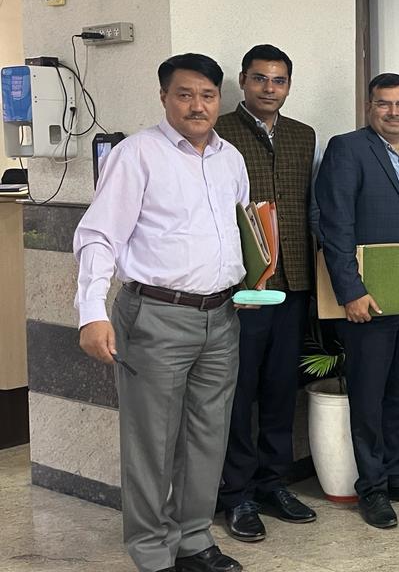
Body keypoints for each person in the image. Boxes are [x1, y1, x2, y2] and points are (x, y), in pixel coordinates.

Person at [74, 53, 248, 572]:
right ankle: (152, 551)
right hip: (156, 316)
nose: (197, 105)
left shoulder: (230, 158)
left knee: (208, 435)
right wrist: (92, 311)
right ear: (164, 97)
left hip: (221, 317)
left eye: (207, 95)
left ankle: (193, 538)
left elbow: (240, 227)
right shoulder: (136, 155)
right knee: (151, 441)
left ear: (219, 99)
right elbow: (99, 235)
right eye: (184, 94)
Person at [314, 73, 399, 530]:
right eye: (384, 104)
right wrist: (351, 291)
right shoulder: (348, 149)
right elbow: (335, 225)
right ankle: (371, 487)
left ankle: (398, 476)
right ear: (369, 107)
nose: (394, 112)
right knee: (370, 393)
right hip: (372, 291)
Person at [215, 44, 318, 542]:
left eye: (279, 80)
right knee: (239, 394)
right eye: (260, 79)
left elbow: (308, 205)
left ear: (288, 85)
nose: (269, 88)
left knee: (280, 390)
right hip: (243, 288)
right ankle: (236, 494)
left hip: (293, 284)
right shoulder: (219, 132)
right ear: (243, 80)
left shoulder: (303, 135)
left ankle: (274, 483)